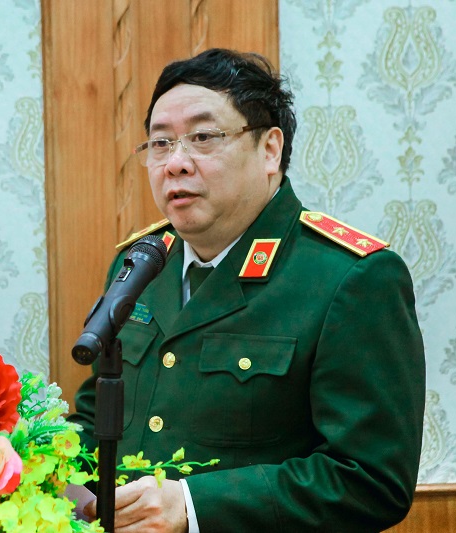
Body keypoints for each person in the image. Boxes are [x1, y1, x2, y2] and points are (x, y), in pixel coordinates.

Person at [70, 48, 425, 532]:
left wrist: (193, 506)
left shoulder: (350, 278)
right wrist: (30, 459)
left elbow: (371, 480)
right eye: (160, 143)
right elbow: (98, 419)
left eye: (203, 137)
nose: (175, 163)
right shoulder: (141, 264)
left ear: (270, 150)